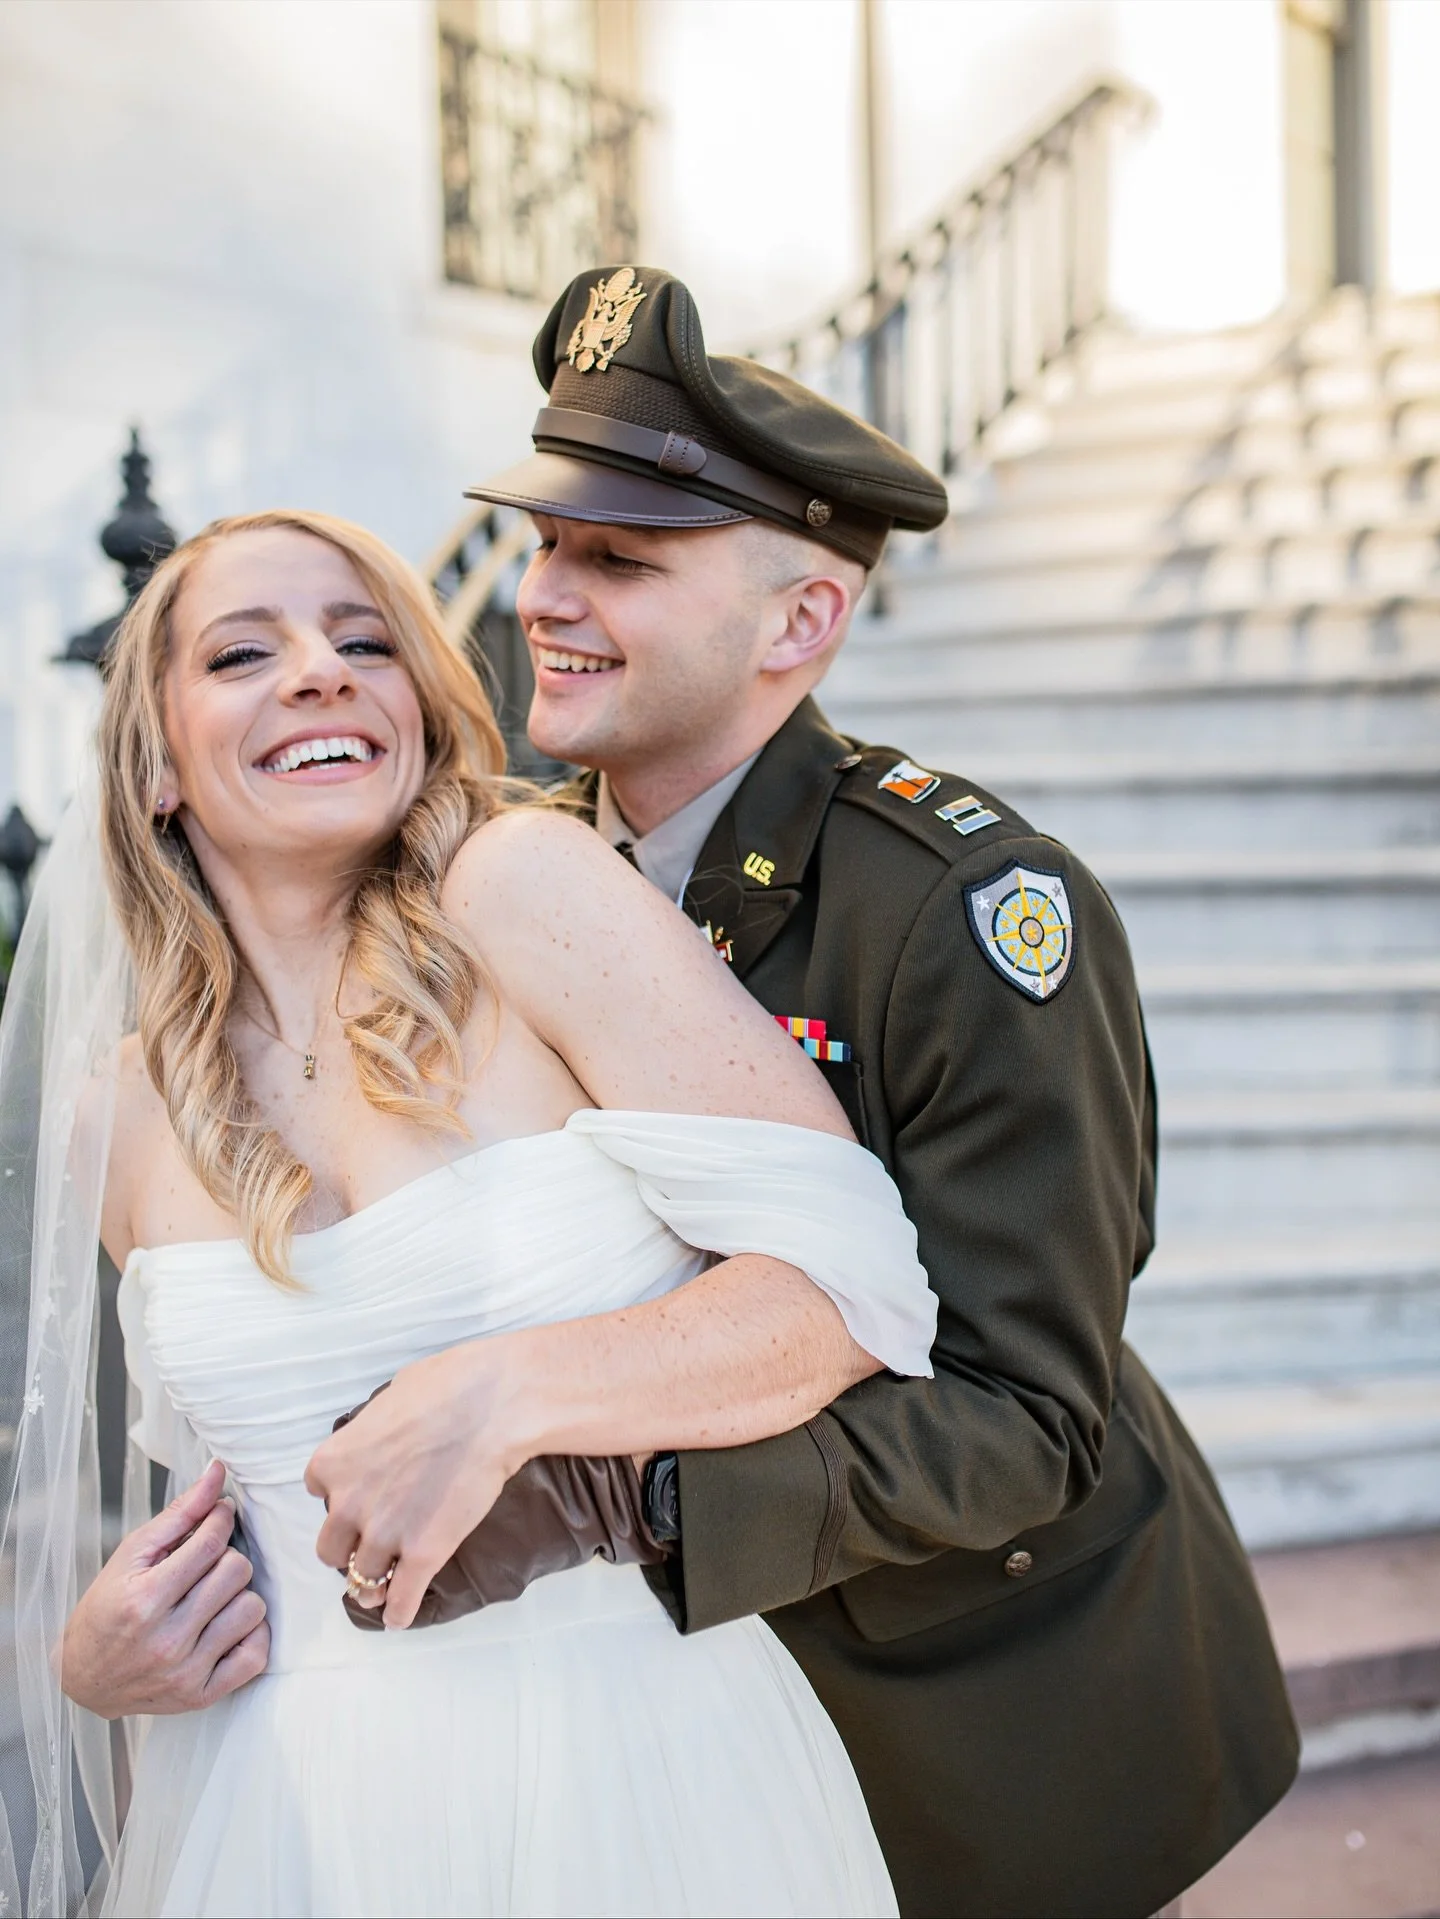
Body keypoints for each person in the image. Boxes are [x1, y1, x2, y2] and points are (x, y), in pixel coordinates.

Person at [450, 265, 1299, 1916]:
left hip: (987, 1714)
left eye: (620, 558)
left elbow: (1029, 1409)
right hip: (669, 1721)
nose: (546, 591)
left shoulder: (966, 915)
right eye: (548, 539)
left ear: (800, 623)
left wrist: (630, 1501)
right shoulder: (514, 873)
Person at [4, 505, 942, 1917]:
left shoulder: (525, 892)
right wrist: (99, 1657)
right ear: (152, 762)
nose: (321, 670)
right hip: (286, 1808)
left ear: (423, 711)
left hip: (630, 1759)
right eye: (244, 652)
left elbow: (854, 1283)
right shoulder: (118, 1111)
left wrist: (510, 1389)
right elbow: (236, 1517)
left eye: (365, 640)